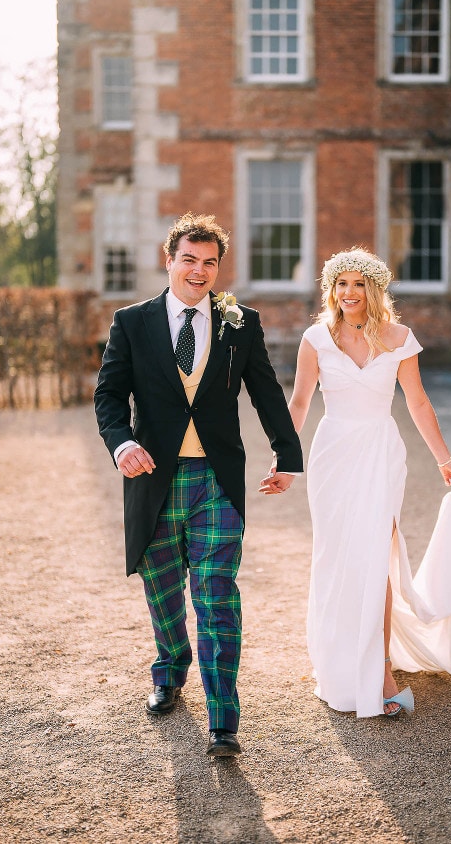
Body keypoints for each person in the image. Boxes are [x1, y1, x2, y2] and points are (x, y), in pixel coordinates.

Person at [94, 212, 303, 756]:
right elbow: (109, 396)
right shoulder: (132, 323)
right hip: (153, 477)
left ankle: (223, 717)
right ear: (169, 261)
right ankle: (170, 666)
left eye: (210, 262)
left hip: (216, 480)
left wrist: (288, 454)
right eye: (189, 259)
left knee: (216, 597)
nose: (199, 271)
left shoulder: (240, 324)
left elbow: (265, 392)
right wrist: (122, 444)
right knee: (163, 592)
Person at [288, 247, 451, 718]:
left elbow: (418, 403)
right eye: (342, 283)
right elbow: (299, 403)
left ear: (374, 289)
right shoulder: (316, 338)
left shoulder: (401, 338)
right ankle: (338, 659)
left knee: (375, 558)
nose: (349, 293)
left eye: (359, 284)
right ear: (331, 289)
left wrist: (444, 457)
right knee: (336, 556)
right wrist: (285, 460)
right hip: (332, 456)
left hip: (381, 453)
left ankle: (380, 670)